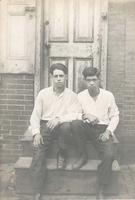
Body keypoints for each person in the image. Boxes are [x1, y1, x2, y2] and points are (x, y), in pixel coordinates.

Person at [30, 63, 82, 200]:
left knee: (66, 126)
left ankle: (62, 152)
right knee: (38, 152)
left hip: (63, 127)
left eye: (61, 76)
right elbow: (35, 115)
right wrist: (36, 132)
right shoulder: (43, 93)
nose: (59, 79)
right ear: (51, 77)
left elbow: (77, 114)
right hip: (46, 125)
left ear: (66, 77)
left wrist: (59, 118)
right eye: (56, 76)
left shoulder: (72, 95)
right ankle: (37, 190)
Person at [72, 67, 120, 197]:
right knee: (76, 124)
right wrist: (85, 115)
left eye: (94, 80)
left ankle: (102, 187)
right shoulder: (81, 96)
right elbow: (74, 114)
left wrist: (108, 132)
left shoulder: (108, 95)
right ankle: (83, 155)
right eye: (88, 80)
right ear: (84, 81)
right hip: (87, 128)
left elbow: (115, 116)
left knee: (109, 155)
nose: (91, 83)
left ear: (99, 80)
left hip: (102, 130)